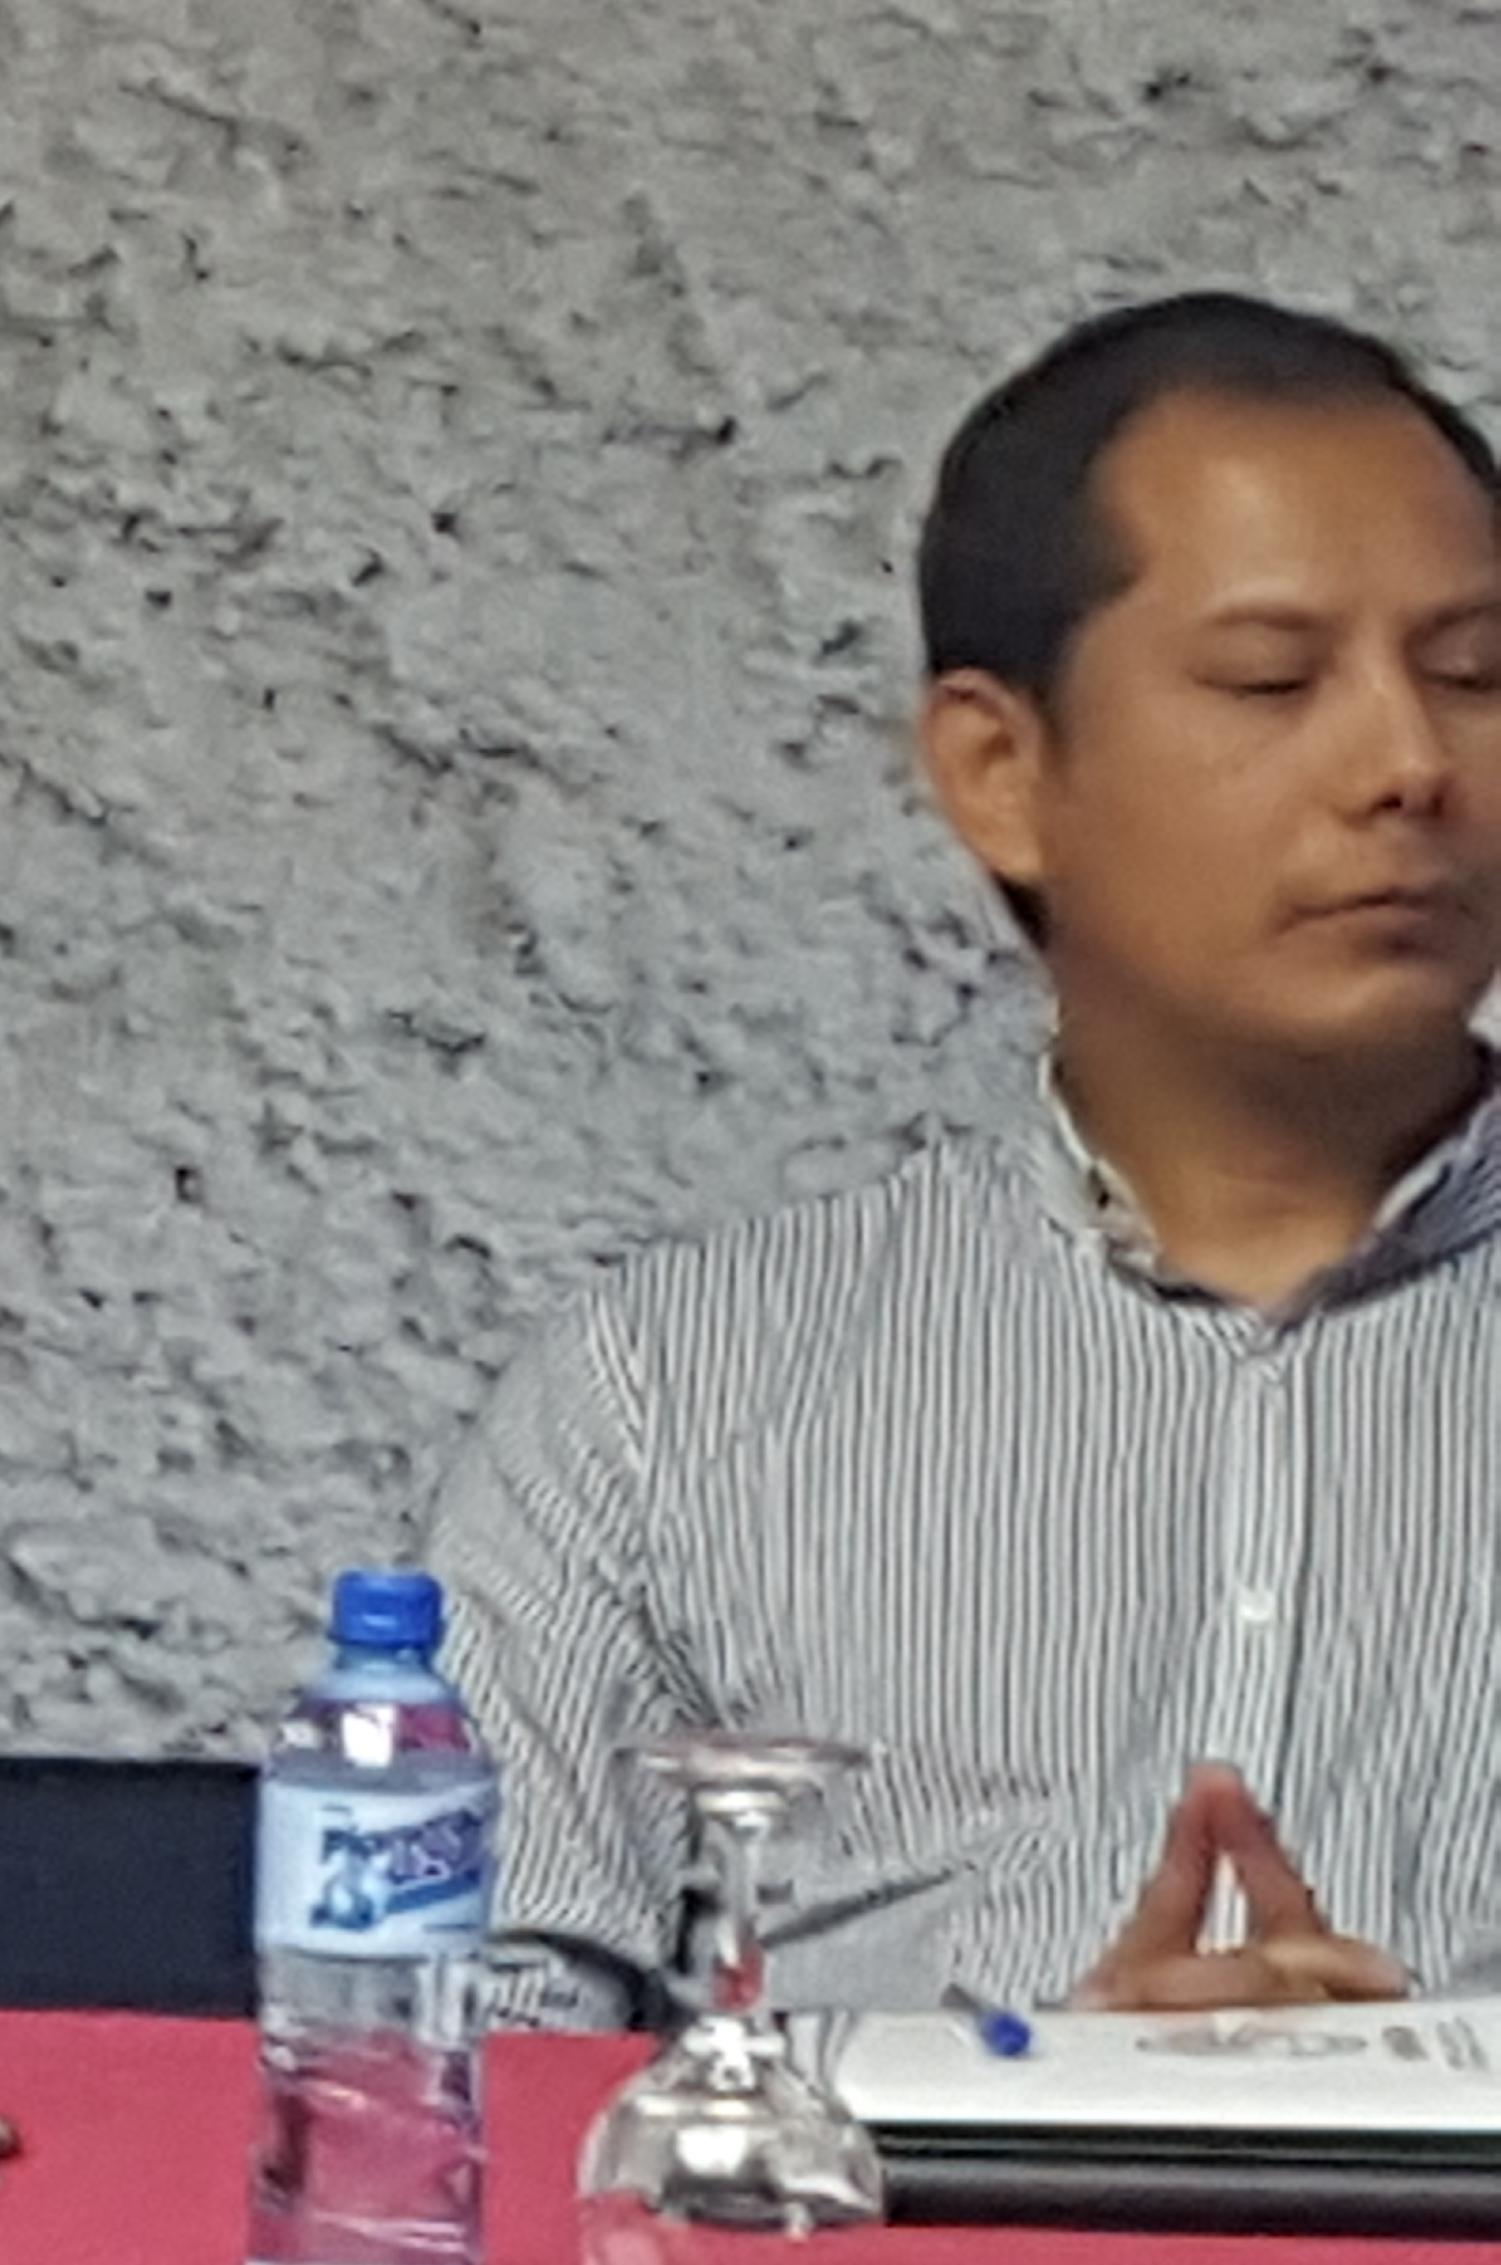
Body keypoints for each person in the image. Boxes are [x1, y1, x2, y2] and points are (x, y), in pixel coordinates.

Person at [432, 291, 1501, 2017]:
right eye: (1271, 681)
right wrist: (1048, 2100)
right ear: (1000, 772)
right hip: (895, 2206)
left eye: (1475, 676)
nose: (1406, 765)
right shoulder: (675, 1398)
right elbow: (451, 2067)